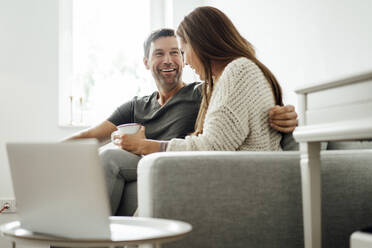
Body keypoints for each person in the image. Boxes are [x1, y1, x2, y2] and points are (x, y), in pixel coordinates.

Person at [66, 28, 298, 215]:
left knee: (109, 157)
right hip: (144, 163)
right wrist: (43, 158)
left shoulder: (204, 92)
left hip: (178, 165)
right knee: (105, 155)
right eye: (159, 54)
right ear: (146, 62)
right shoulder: (136, 106)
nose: (169, 60)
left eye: (176, 52)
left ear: (184, 57)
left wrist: (281, 114)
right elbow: (88, 137)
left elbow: (245, 101)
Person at [120, 7, 288, 156]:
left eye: (183, 52)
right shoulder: (223, 79)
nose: (185, 62)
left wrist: (146, 146)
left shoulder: (239, 70)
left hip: (244, 175)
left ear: (200, 45)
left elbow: (212, 147)